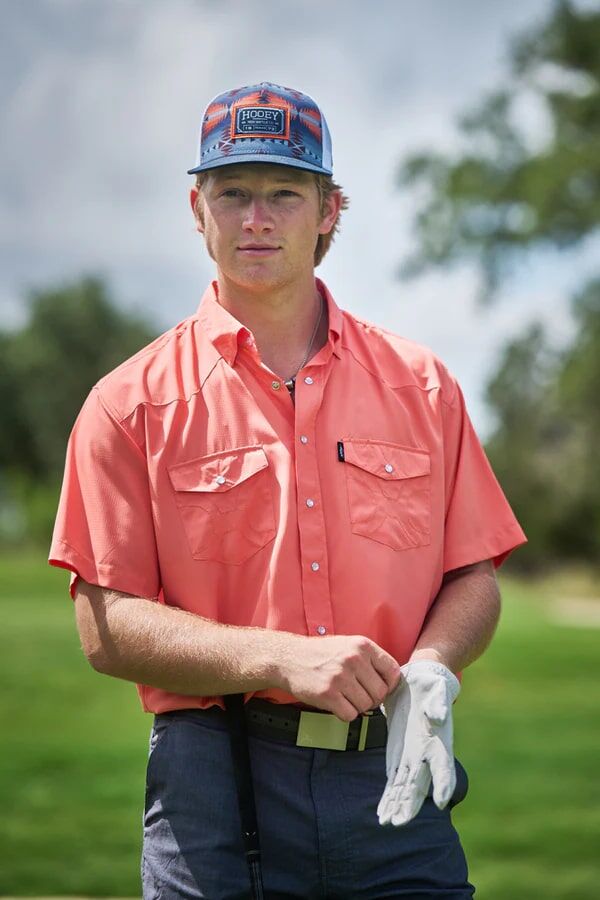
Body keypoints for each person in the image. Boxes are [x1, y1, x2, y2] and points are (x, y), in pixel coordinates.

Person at [49, 81, 527, 899]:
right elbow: (106, 625)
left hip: (390, 768)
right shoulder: (128, 404)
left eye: (283, 193)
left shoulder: (424, 386)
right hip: (212, 781)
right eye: (231, 194)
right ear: (196, 211)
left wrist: (437, 667)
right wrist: (281, 657)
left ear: (329, 209)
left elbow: (472, 573)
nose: (256, 220)